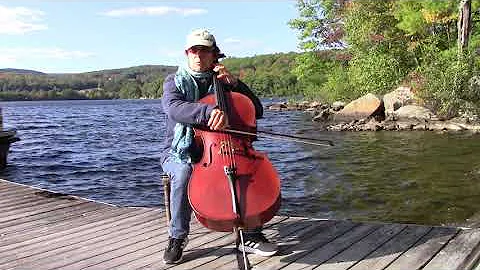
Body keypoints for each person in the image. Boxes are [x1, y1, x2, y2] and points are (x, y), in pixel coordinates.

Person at [160, 29, 278, 264]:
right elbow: (173, 108)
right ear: (187, 53)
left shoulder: (224, 82)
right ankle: (177, 236)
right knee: (183, 173)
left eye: (204, 51)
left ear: (214, 54)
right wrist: (208, 110)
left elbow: (257, 110)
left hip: (223, 149)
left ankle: (251, 233)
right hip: (179, 150)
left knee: (245, 172)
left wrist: (235, 84)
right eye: (194, 50)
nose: (198, 55)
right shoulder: (174, 82)